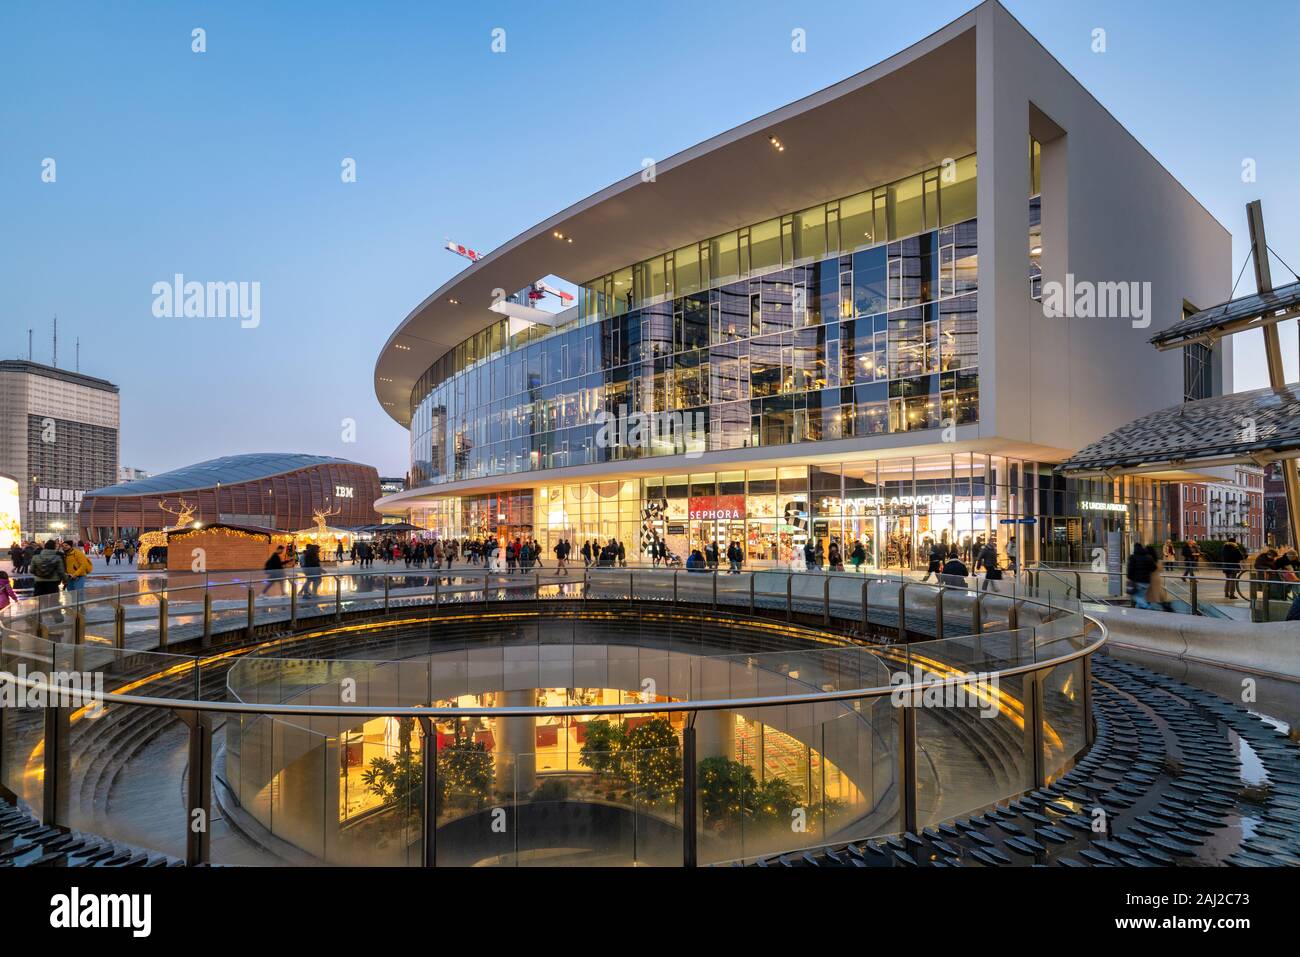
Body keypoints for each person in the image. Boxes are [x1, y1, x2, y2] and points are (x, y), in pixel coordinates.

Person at [29, 540, 66, 609]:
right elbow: (61, 572)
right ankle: (57, 617)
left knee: (38, 602)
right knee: (54, 602)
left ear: (44, 547)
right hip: (53, 582)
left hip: (39, 582)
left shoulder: (36, 557)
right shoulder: (58, 558)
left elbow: (31, 570)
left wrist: (38, 574)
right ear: (54, 547)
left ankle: (37, 617)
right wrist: (65, 580)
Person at [1126, 542, 1156, 609]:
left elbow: (1130, 569)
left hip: (1137, 582)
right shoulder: (1148, 557)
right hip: (1146, 582)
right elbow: (1154, 568)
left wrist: (1129, 577)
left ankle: (1148, 607)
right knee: (1141, 597)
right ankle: (1139, 613)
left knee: (1135, 596)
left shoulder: (1133, 557)